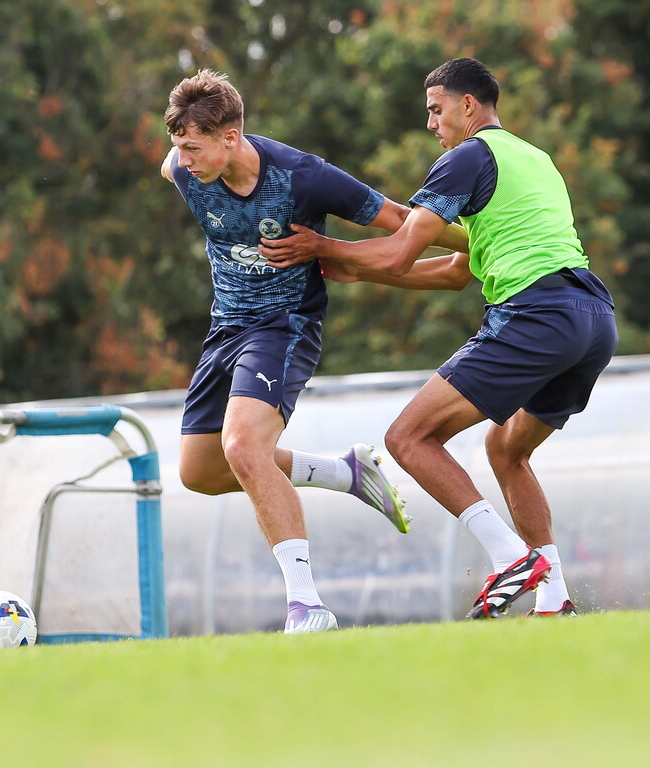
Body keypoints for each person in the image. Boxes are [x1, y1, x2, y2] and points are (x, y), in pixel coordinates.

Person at [260, 57, 618, 619]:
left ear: (467, 106)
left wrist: (328, 249)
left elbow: (403, 248)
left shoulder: (466, 158)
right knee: (508, 448)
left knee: (408, 438)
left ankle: (511, 560)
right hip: (593, 318)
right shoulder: (535, 159)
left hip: (537, 313)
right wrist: (357, 269)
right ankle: (554, 600)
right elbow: (457, 270)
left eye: (435, 109)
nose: (432, 124)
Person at [160, 69, 469, 633]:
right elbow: (174, 167)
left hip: (284, 326)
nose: (182, 159)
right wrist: (182, 157)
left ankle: (307, 606)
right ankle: (343, 472)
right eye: (177, 146)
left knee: (244, 447)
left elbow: (405, 222)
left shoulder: (303, 176)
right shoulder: (182, 170)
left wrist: (481, 241)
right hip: (224, 329)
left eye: (192, 146)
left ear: (231, 137)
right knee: (200, 471)